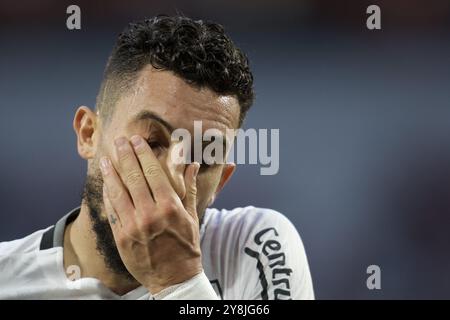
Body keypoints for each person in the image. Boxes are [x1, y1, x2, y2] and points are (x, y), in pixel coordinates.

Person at [0, 15, 314, 300]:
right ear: (89, 134)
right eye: (152, 142)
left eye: (203, 157)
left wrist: (178, 281)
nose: (172, 178)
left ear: (221, 180)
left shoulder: (254, 246)